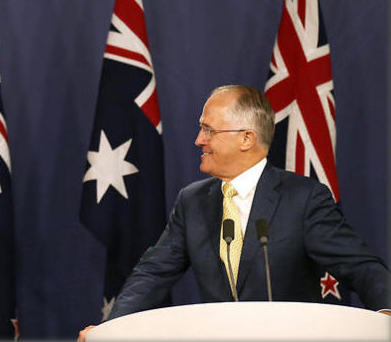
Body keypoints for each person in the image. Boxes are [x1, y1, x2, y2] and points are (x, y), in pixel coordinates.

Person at [78, 85, 389, 341]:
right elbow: (152, 274)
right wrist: (110, 329)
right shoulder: (193, 201)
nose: (199, 140)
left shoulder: (303, 199)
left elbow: (359, 266)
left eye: (209, 131)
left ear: (246, 138)